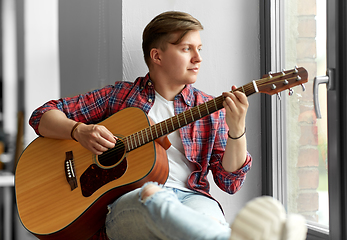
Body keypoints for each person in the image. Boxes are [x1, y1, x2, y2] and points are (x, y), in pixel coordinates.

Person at [29, 11, 257, 240]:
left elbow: (230, 182)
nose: (198, 58)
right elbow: (42, 115)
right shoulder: (119, 96)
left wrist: (237, 130)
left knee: (209, 221)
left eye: (199, 49)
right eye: (187, 48)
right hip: (134, 200)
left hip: (192, 199)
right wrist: (78, 131)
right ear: (157, 56)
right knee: (153, 199)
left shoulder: (209, 108)